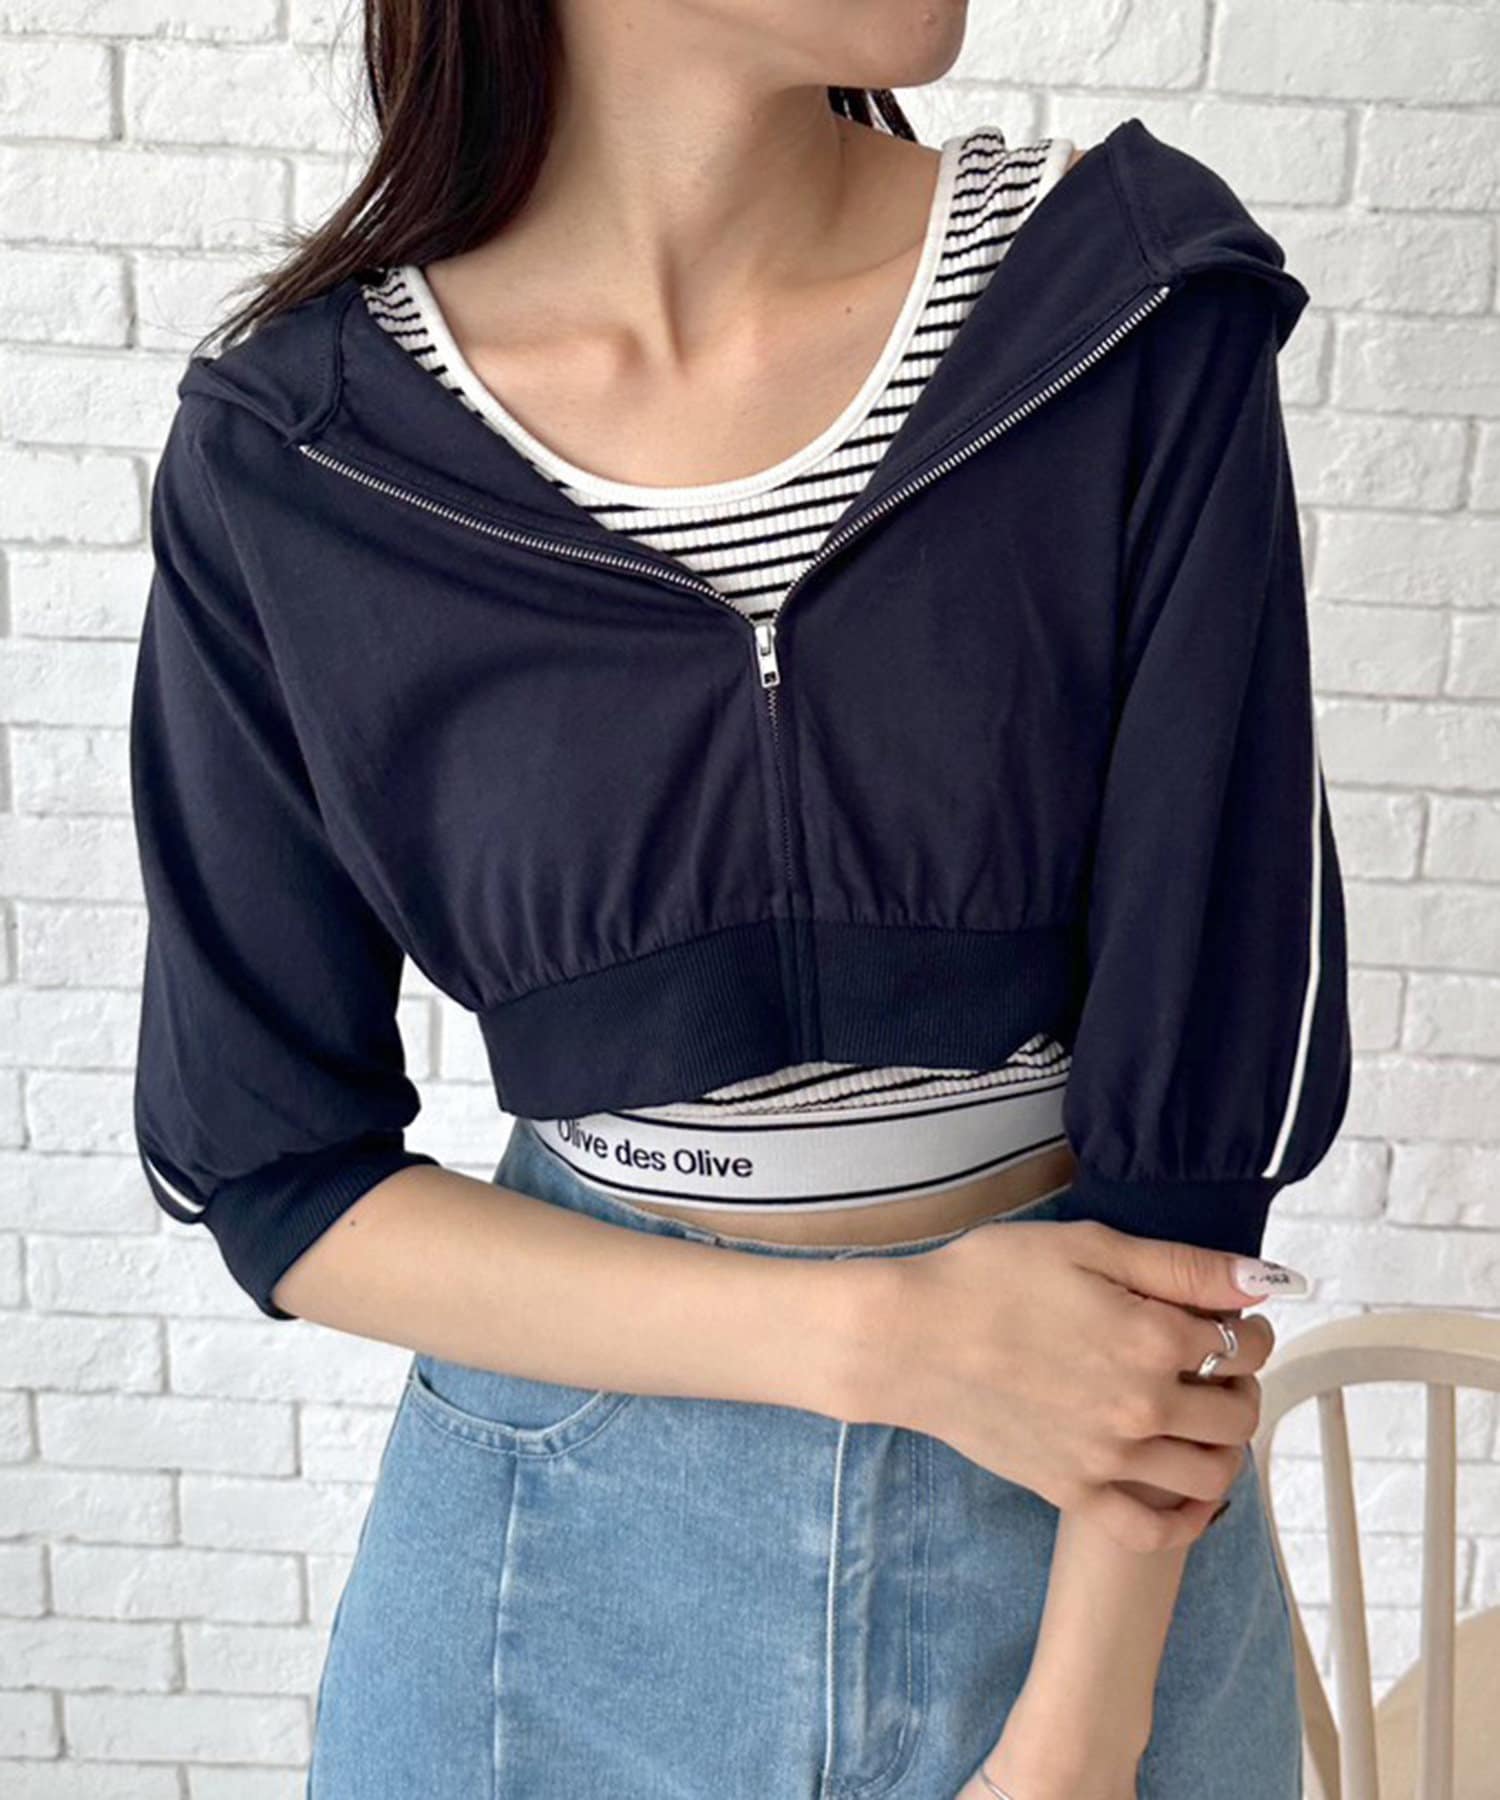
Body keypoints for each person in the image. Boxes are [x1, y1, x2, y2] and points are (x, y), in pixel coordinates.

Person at [126, 4, 1351, 1796]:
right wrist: (890, 1341)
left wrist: (1083, 1725)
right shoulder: (301, 453)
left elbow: (1205, 1086)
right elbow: (275, 1166)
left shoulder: (1123, 309)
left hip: (1099, 1525)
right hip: (553, 1567)